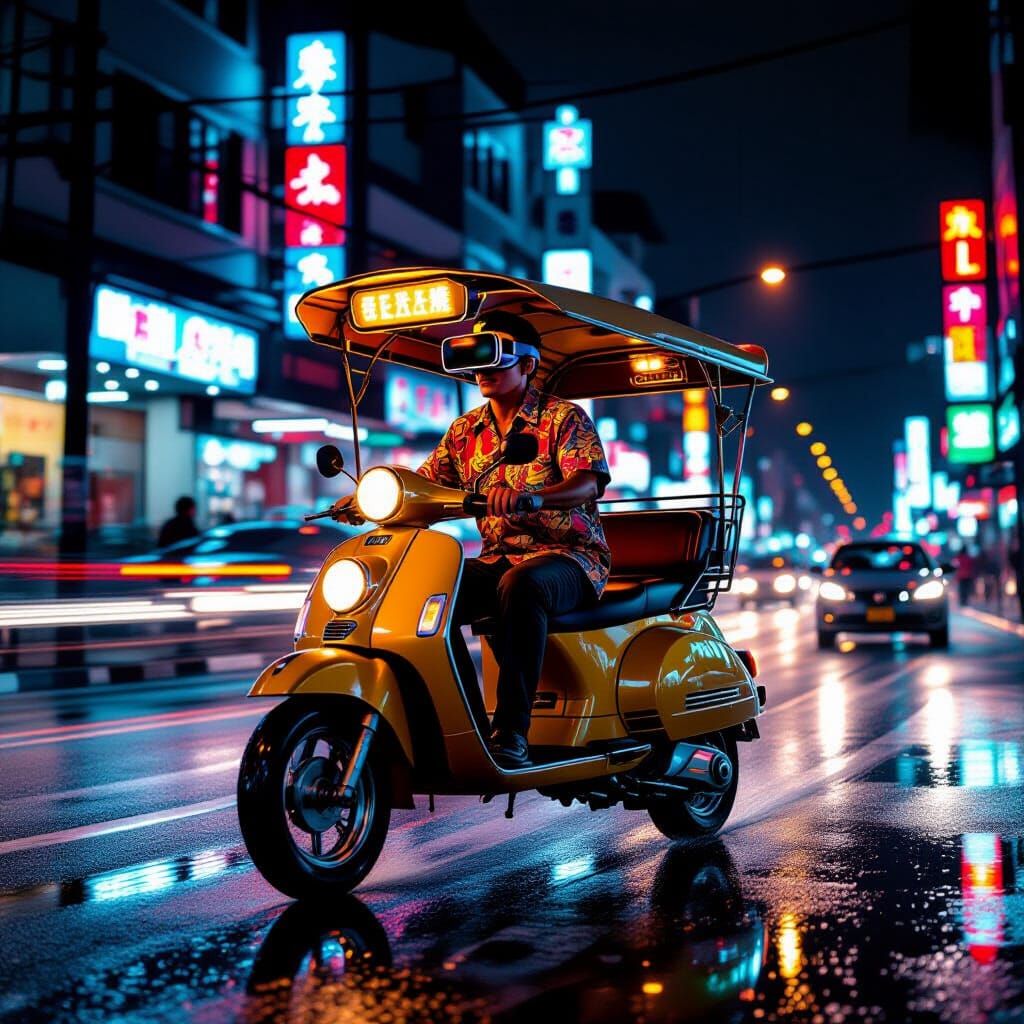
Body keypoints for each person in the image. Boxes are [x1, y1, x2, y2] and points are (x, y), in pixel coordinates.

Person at [418, 313, 611, 768]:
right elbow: (427, 484)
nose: (484, 371)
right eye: (477, 361)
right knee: (429, 591)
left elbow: (588, 483)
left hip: (571, 558)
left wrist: (531, 498)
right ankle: (455, 721)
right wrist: (371, 494)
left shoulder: (564, 418)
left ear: (528, 365)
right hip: (497, 557)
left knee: (521, 585)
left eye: (497, 359)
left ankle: (511, 732)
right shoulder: (464, 431)